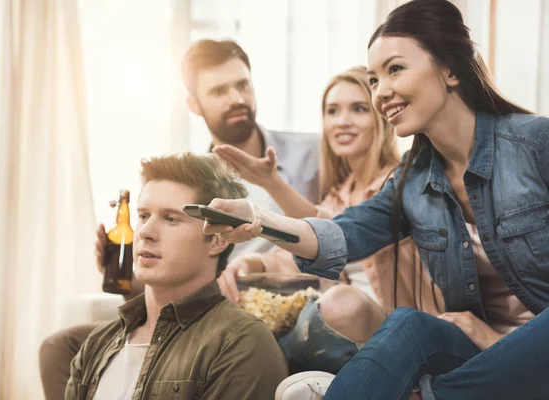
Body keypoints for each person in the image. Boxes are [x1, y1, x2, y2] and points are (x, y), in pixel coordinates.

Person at [204, 1, 549, 399]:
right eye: (373, 79)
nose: (381, 92)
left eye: (395, 69)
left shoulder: (534, 144)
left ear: (451, 69)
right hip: (477, 356)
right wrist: (258, 217)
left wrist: (494, 341)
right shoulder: (411, 183)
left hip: (527, 346)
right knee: (408, 325)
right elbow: (341, 234)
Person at [39, 39, 319, 400]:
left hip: (278, 305)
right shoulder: (192, 181)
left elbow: (335, 235)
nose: (236, 98)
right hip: (205, 294)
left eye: (242, 85)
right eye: (219, 90)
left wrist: (259, 261)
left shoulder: (313, 156)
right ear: (193, 103)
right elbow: (182, 272)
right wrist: (125, 270)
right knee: (63, 346)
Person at [213, 66, 443, 376]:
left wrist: (272, 184)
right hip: (345, 333)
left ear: (382, 116)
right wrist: (249, 264)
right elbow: (301, 250)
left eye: (359, 109)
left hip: (398, 328)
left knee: (338, 303)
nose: (342, 121)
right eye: (332, 111)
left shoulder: (403, 183)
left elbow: (335, 233)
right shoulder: (338, 193)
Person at [65, 153, 288, 400]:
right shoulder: (97, 344)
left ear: (217, 239)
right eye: (143, 216)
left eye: (170, 219)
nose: (145, 232)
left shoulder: (241, 343)